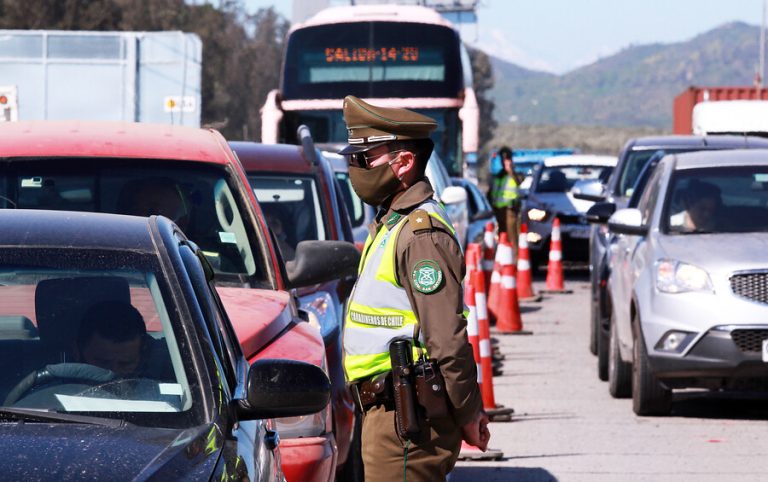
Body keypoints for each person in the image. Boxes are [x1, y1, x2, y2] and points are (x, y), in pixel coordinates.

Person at [339, 95, 489, 481]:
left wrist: (469, 411)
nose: (355, 168)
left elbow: (447, 338)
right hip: (387, 414)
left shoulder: (420, 235)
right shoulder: (391, 225)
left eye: (364, 159)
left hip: (408, 421)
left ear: (402, 163)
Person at [74, 301, 148, 378]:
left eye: (125, 364)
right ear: (77, 351)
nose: (113, 373)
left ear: (142, 357)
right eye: (103, 362)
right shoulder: (61, 385)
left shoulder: (158, 383)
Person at [116, 177, 191, 231]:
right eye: (135, 210)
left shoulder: (192, 252)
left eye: (153, 211)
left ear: (182, 223)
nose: (142, 216)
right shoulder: (107, 245)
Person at [489, 147, 524, 251]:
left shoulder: (516, 174)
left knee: (512, 238)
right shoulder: (499, 175)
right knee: (501, 238)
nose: (505, 162)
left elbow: (519, 182)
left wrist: (510, 170)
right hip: (498, 211)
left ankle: (515, 263)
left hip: (510, 211)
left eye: (507, 159)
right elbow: (492, 193)